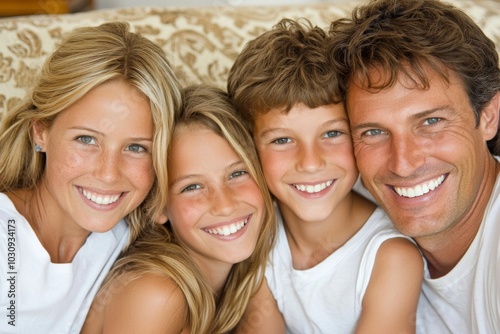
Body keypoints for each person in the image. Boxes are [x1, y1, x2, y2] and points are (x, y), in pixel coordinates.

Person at [227, 18, 423, 334]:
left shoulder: (391, 258)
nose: (310, 162)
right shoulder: (255, 234)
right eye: (282, 140)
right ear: (249, 148)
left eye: (332, 133)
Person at [328, 0, 500, 332]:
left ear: (489, 116)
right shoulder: (344, 191)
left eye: (431, 121)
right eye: (374, 132)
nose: (403, 164)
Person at [0, 21, 182, 333]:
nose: (108, 173)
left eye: (136, 147)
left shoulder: (126, 237)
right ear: (40, 132)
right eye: (86, 139)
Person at [81, 84, 276, 334]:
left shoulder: (246, 281)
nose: (225, 205)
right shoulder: (157, 295)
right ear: (158, 207)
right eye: (192, 187)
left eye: (237, 173)